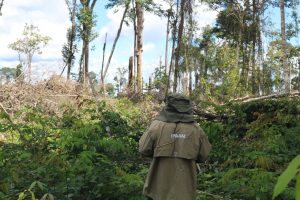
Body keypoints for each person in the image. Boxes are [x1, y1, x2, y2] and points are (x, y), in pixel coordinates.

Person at [139, 93, 211, 200]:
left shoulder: (157, 126)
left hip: (158, 190)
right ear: (188, 107)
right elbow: (204, 155)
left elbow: (144, 149)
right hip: (185, 192)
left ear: (168, 106)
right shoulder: (196, 130)